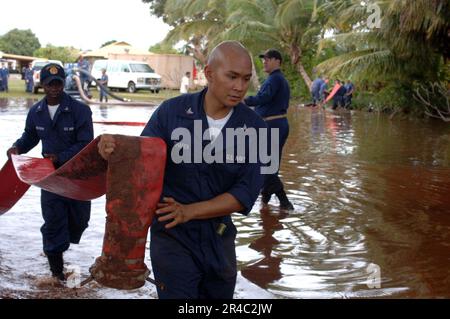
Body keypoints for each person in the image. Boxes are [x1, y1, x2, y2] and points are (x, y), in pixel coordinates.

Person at [98, 41, 267, 299]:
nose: (239, 87)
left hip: (219, 238)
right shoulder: (171, 113)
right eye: (231, 77)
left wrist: (190, 211)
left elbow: (245, 193)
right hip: (171, 234)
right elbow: (141, 161)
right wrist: (112, 149)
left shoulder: (256, 129)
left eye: (245, 79)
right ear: (209, 73)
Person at [6, 63, 94, 284]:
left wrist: (61, 156)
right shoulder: (36, 112)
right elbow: (30, 136)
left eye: (58, 83)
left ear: (63, 84)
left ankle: (62, 246)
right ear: (42, 85)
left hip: (77, 178)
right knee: (54, 225)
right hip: (51, 179)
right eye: (49, 84)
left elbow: (86, 144)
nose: (54, 88)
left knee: (80, 222)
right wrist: (17, 147)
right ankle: (57, 275)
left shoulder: (80, 111)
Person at [244, 49, 294, 210]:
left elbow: (263, 98)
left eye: (268, 59)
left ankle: (285, 203)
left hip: (272, 126)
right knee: (269, 165)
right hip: (276, 125)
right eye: (263, 59)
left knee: (265, 166)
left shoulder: (274, 79)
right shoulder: (279, 79)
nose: (264, 61)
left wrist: (243, 101)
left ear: (277, 61)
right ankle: (265, 202)